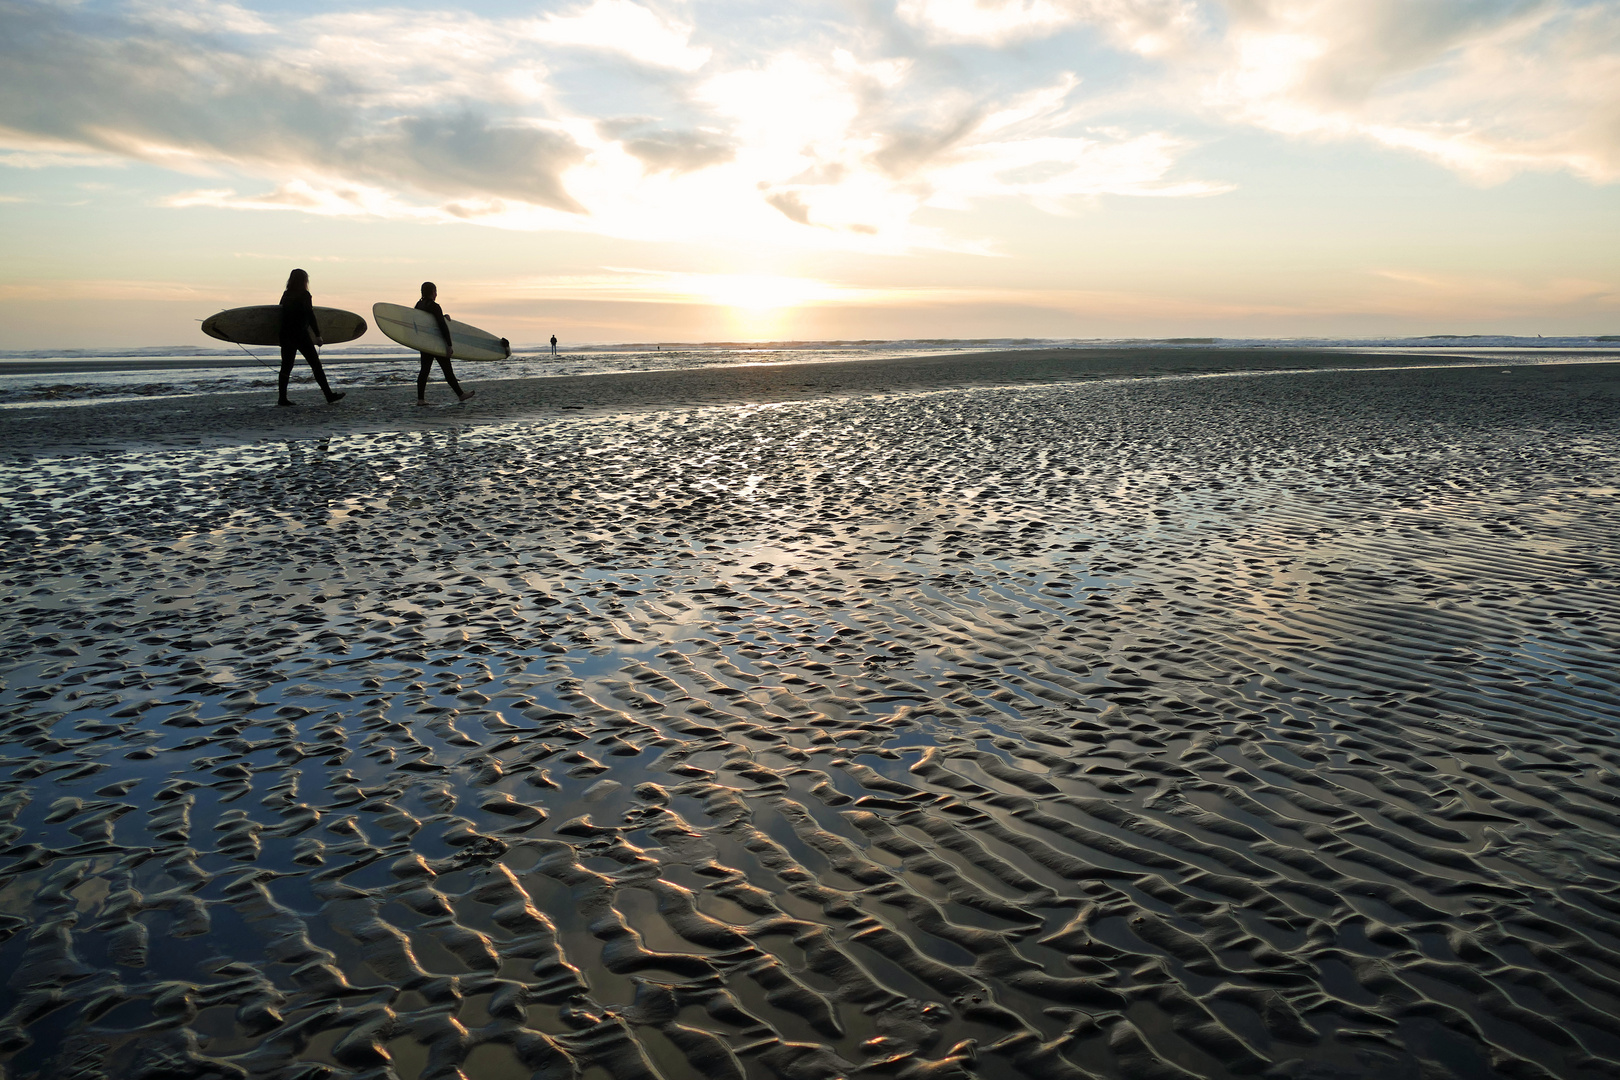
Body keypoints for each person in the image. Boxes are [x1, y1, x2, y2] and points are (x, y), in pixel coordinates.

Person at [278, 269, 344, 406]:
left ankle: (282, 399)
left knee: (286, 367)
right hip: (301, 335)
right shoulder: (304, 294)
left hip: (286, 335)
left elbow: (279, 314)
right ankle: (328, 395)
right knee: (316, 365)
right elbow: (310, 315)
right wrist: (318, 335)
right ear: (304, 280)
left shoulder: (286, 294)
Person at [415, 282, 474, 405]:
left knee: (424, 371)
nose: (436, 294)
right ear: (433, 292)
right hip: (437, 344)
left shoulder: (419, 305)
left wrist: (441, 316)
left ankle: (420, 399)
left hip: (425, 344)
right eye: (435, 291)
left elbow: (426, 322)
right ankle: (461, 395)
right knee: (447, 371)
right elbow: (441, 326)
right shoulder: (435, 306)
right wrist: (449, 344)